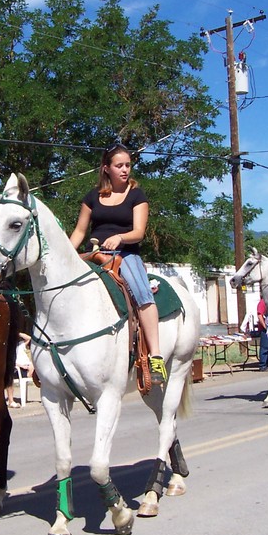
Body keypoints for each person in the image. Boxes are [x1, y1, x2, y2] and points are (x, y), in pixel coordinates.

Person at [69, 142, 167, 385]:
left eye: (128, 165)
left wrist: (120, 237)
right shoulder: (92, 197)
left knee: (143, 294)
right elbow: (80, 232)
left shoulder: (136, 195)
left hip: (126, 254)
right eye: (119, 165)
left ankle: (156, 356)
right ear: (106, 169)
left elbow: (139, 232)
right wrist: (66, 256)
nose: (125, 170)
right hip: (94, 253)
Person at [6, 332, 35, 408]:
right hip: (18, 368)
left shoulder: (21, 345)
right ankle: (11, 401)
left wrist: (17, 333)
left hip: (29, 367)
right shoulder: (8, 349)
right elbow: (10, 362)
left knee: (34, 364)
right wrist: (21, 365)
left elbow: (29, 338)